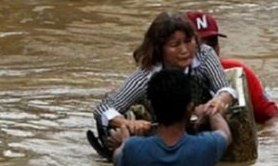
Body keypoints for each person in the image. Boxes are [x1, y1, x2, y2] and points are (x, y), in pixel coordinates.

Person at [91, 11, 236, 156]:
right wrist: (126, 124)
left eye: (188, 41)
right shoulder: (145, 76)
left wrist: (218, 101)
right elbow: (104, 109)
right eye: (175, 45)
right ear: (160, 49)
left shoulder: (204, 55)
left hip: (198, 121)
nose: (185, 50)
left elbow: (225, 88)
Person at [112, 68, 231, 166]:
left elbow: (118, 162)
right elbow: (225, 134)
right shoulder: (207, 146)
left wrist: (122, 142)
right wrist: (213, 111)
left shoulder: (132, 148)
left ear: (152, 107)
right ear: (189, 107)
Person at [186, 11, 278, 126]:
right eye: (199, 46)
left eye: (212, 43)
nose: (207, 51)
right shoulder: (165, 76)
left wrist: (264, 139)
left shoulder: (239, 72)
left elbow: (273, 118)